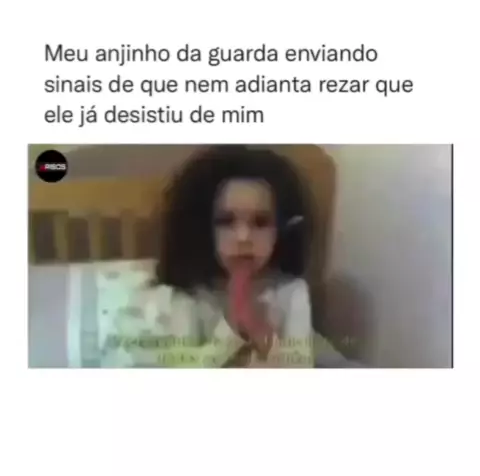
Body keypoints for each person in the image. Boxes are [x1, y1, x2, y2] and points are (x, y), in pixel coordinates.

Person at [96, 145, 350, 367]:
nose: (243, 237)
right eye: (226, 221)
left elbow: (299, 367)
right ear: (202, 228)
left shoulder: (292, 292)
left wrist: (262, 335)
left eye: (260, 222)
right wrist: (231, 331)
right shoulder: (189, 295)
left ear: (281, 231)